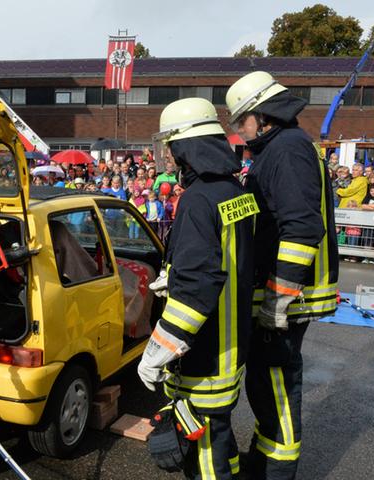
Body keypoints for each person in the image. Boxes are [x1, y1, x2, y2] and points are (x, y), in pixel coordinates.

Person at [226, 71, 338, 479]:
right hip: (278, 292)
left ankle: (276, 471)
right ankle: (262, 459)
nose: (241, 131)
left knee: (277, 387)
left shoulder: (287, 150)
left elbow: (301, 228)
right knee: (264, 386)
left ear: (264, 116)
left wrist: (279, 298)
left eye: (243, 121)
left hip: (286, 298)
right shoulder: (280, 149)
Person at [139, 97, 254, 479]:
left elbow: (198, 285)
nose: (168, 159)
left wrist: (157, 350)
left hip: (203, 355)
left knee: (203, 454)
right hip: (232, 346)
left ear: (189, 149)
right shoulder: (235, 193)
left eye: (172, 149)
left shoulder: (198, 201)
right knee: (221, 442)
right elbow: (225, 263)